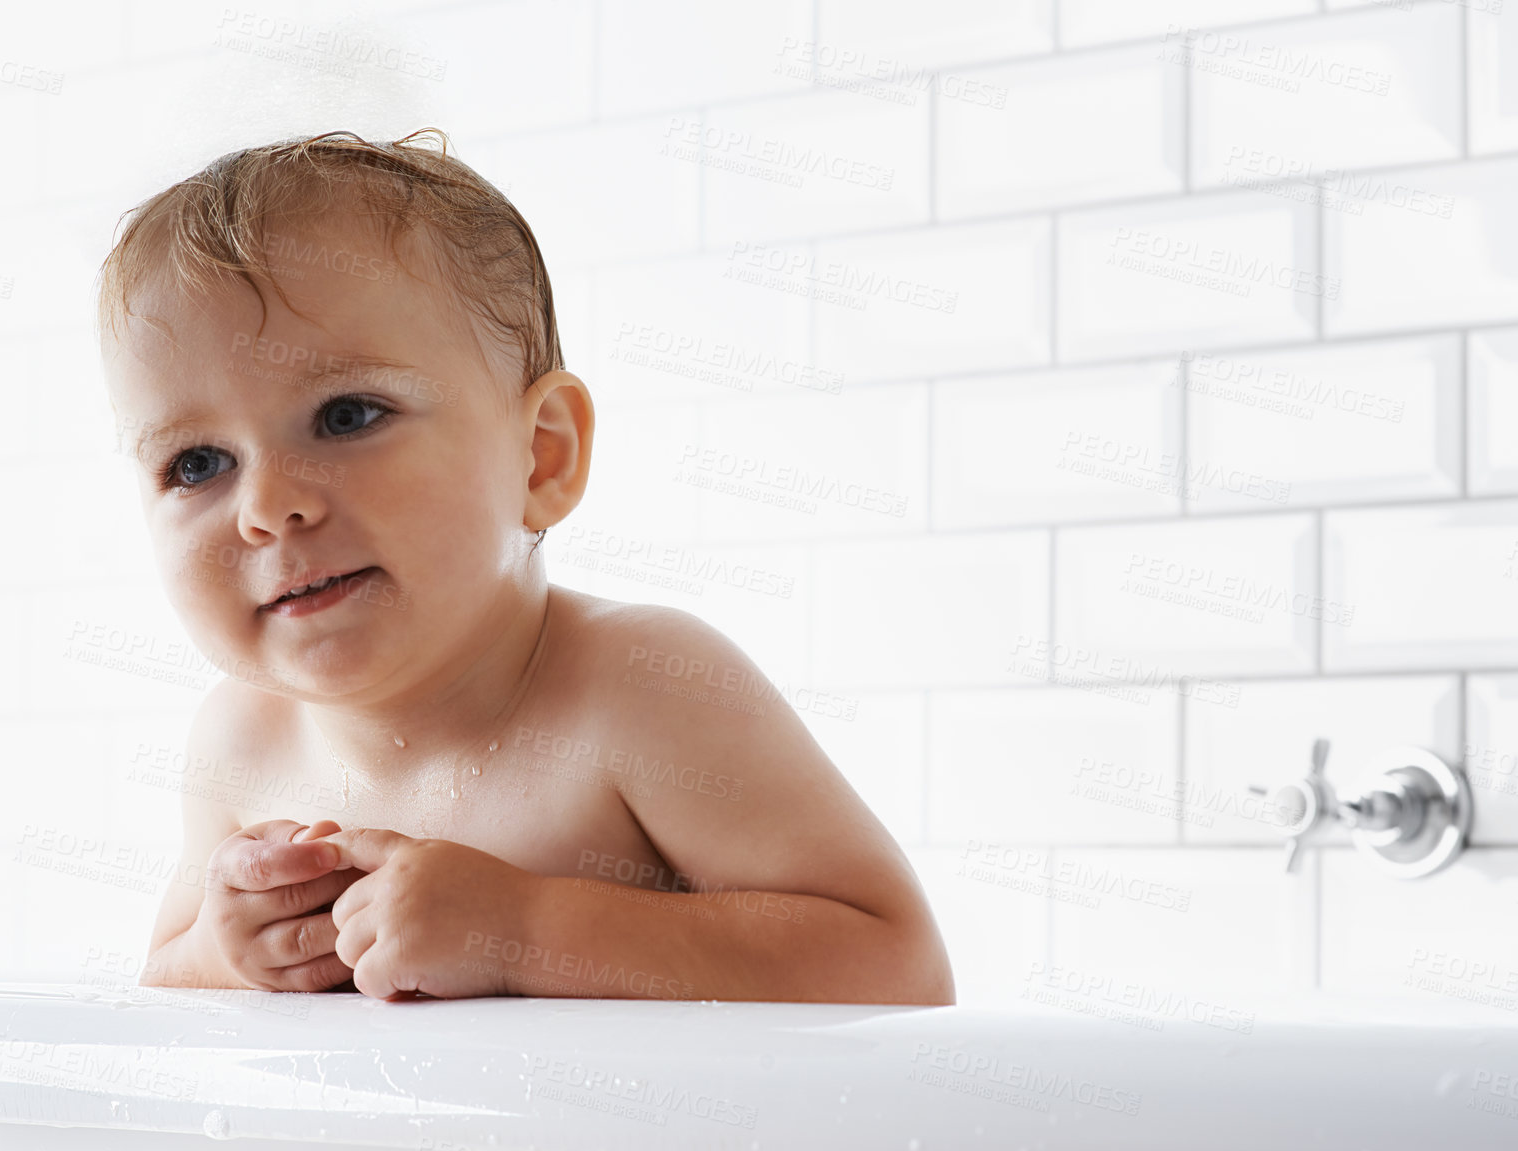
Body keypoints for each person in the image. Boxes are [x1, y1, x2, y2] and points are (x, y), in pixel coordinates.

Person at [97, 129, 952, 1004]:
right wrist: (223, 951)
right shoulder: (240, 741)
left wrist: (527, 927)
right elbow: (161, 981)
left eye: (346, 414)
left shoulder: (642, 690)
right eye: (196, 463)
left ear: (540, 457)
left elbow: (898, 967)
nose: (268, 506)